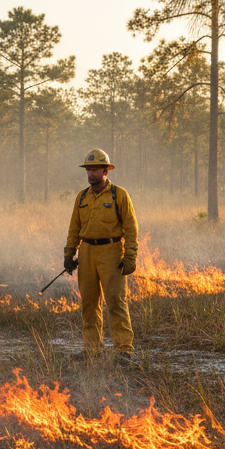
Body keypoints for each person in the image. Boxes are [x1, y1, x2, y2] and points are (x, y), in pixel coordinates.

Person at [63, 148, 139, 365]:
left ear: (106, 170)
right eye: (88, 170)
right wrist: (69, 254)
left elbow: (131, 229)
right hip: (86, 252)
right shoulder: (82, 197)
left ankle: (124, 350)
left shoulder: (119, 195)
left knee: (115, 301)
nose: (90, 174)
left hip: (111, 252)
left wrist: (130, 257)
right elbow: (74, 229)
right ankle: (92, 350)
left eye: (95, 169)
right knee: (89, 303)